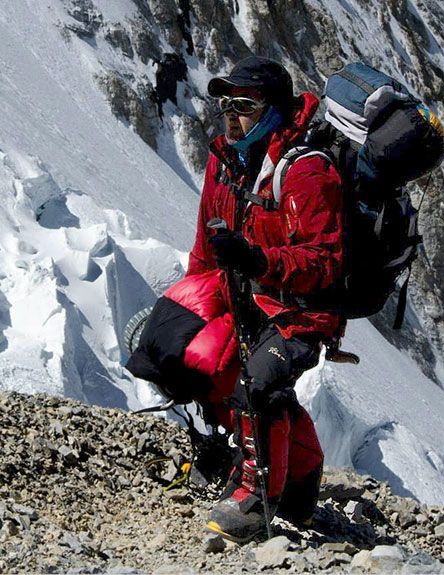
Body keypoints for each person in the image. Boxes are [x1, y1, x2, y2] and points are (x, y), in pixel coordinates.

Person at [188, 56, 344, 542]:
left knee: (260, 385)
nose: (231, 116)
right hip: (250, 300)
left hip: (305, 311)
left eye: (244, 106)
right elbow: (204, 244)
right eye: (225, 105)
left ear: (274, 112)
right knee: (209, 364)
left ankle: (256, 501)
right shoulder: (225, 161)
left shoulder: (306, 171)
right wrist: (195, 306)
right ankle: (300, 485)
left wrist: (258, 261)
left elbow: (325, 263)